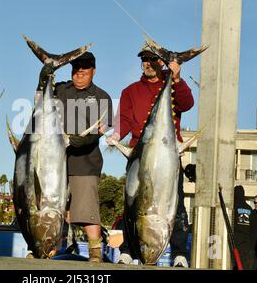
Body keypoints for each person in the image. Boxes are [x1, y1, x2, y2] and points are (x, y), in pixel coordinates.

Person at [106, 43, 194, 267]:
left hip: (167, 156)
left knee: (177, 205)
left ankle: (179, 253)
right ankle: (128, 251)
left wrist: (176, 78)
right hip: (138, 155)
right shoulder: (130, 91)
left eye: (152, 59)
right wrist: (116, 134)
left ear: (161, 62)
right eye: (144, 60)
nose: (147, 64)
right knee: (131, 202)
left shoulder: (172, 85)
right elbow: (124, 120)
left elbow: (187, 103)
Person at [39, 52, 112, 263]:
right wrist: (45, 74)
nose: (79, 74)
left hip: (86, 162)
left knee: (87, 209)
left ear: (93, 71)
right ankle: (47, 250)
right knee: (52, 209)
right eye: (75, 70)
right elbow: (40, 97)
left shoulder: (102, 96)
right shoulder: (60, 89)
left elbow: (102, 128)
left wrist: (85, 139)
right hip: (55, 163)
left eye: (84, 69)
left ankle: (95, 253)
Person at [233, 185, 253, 270]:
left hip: (236, 238)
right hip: (247, 239)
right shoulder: (249, 207)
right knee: (244, 262)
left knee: (234, 261)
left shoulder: (234, 206)